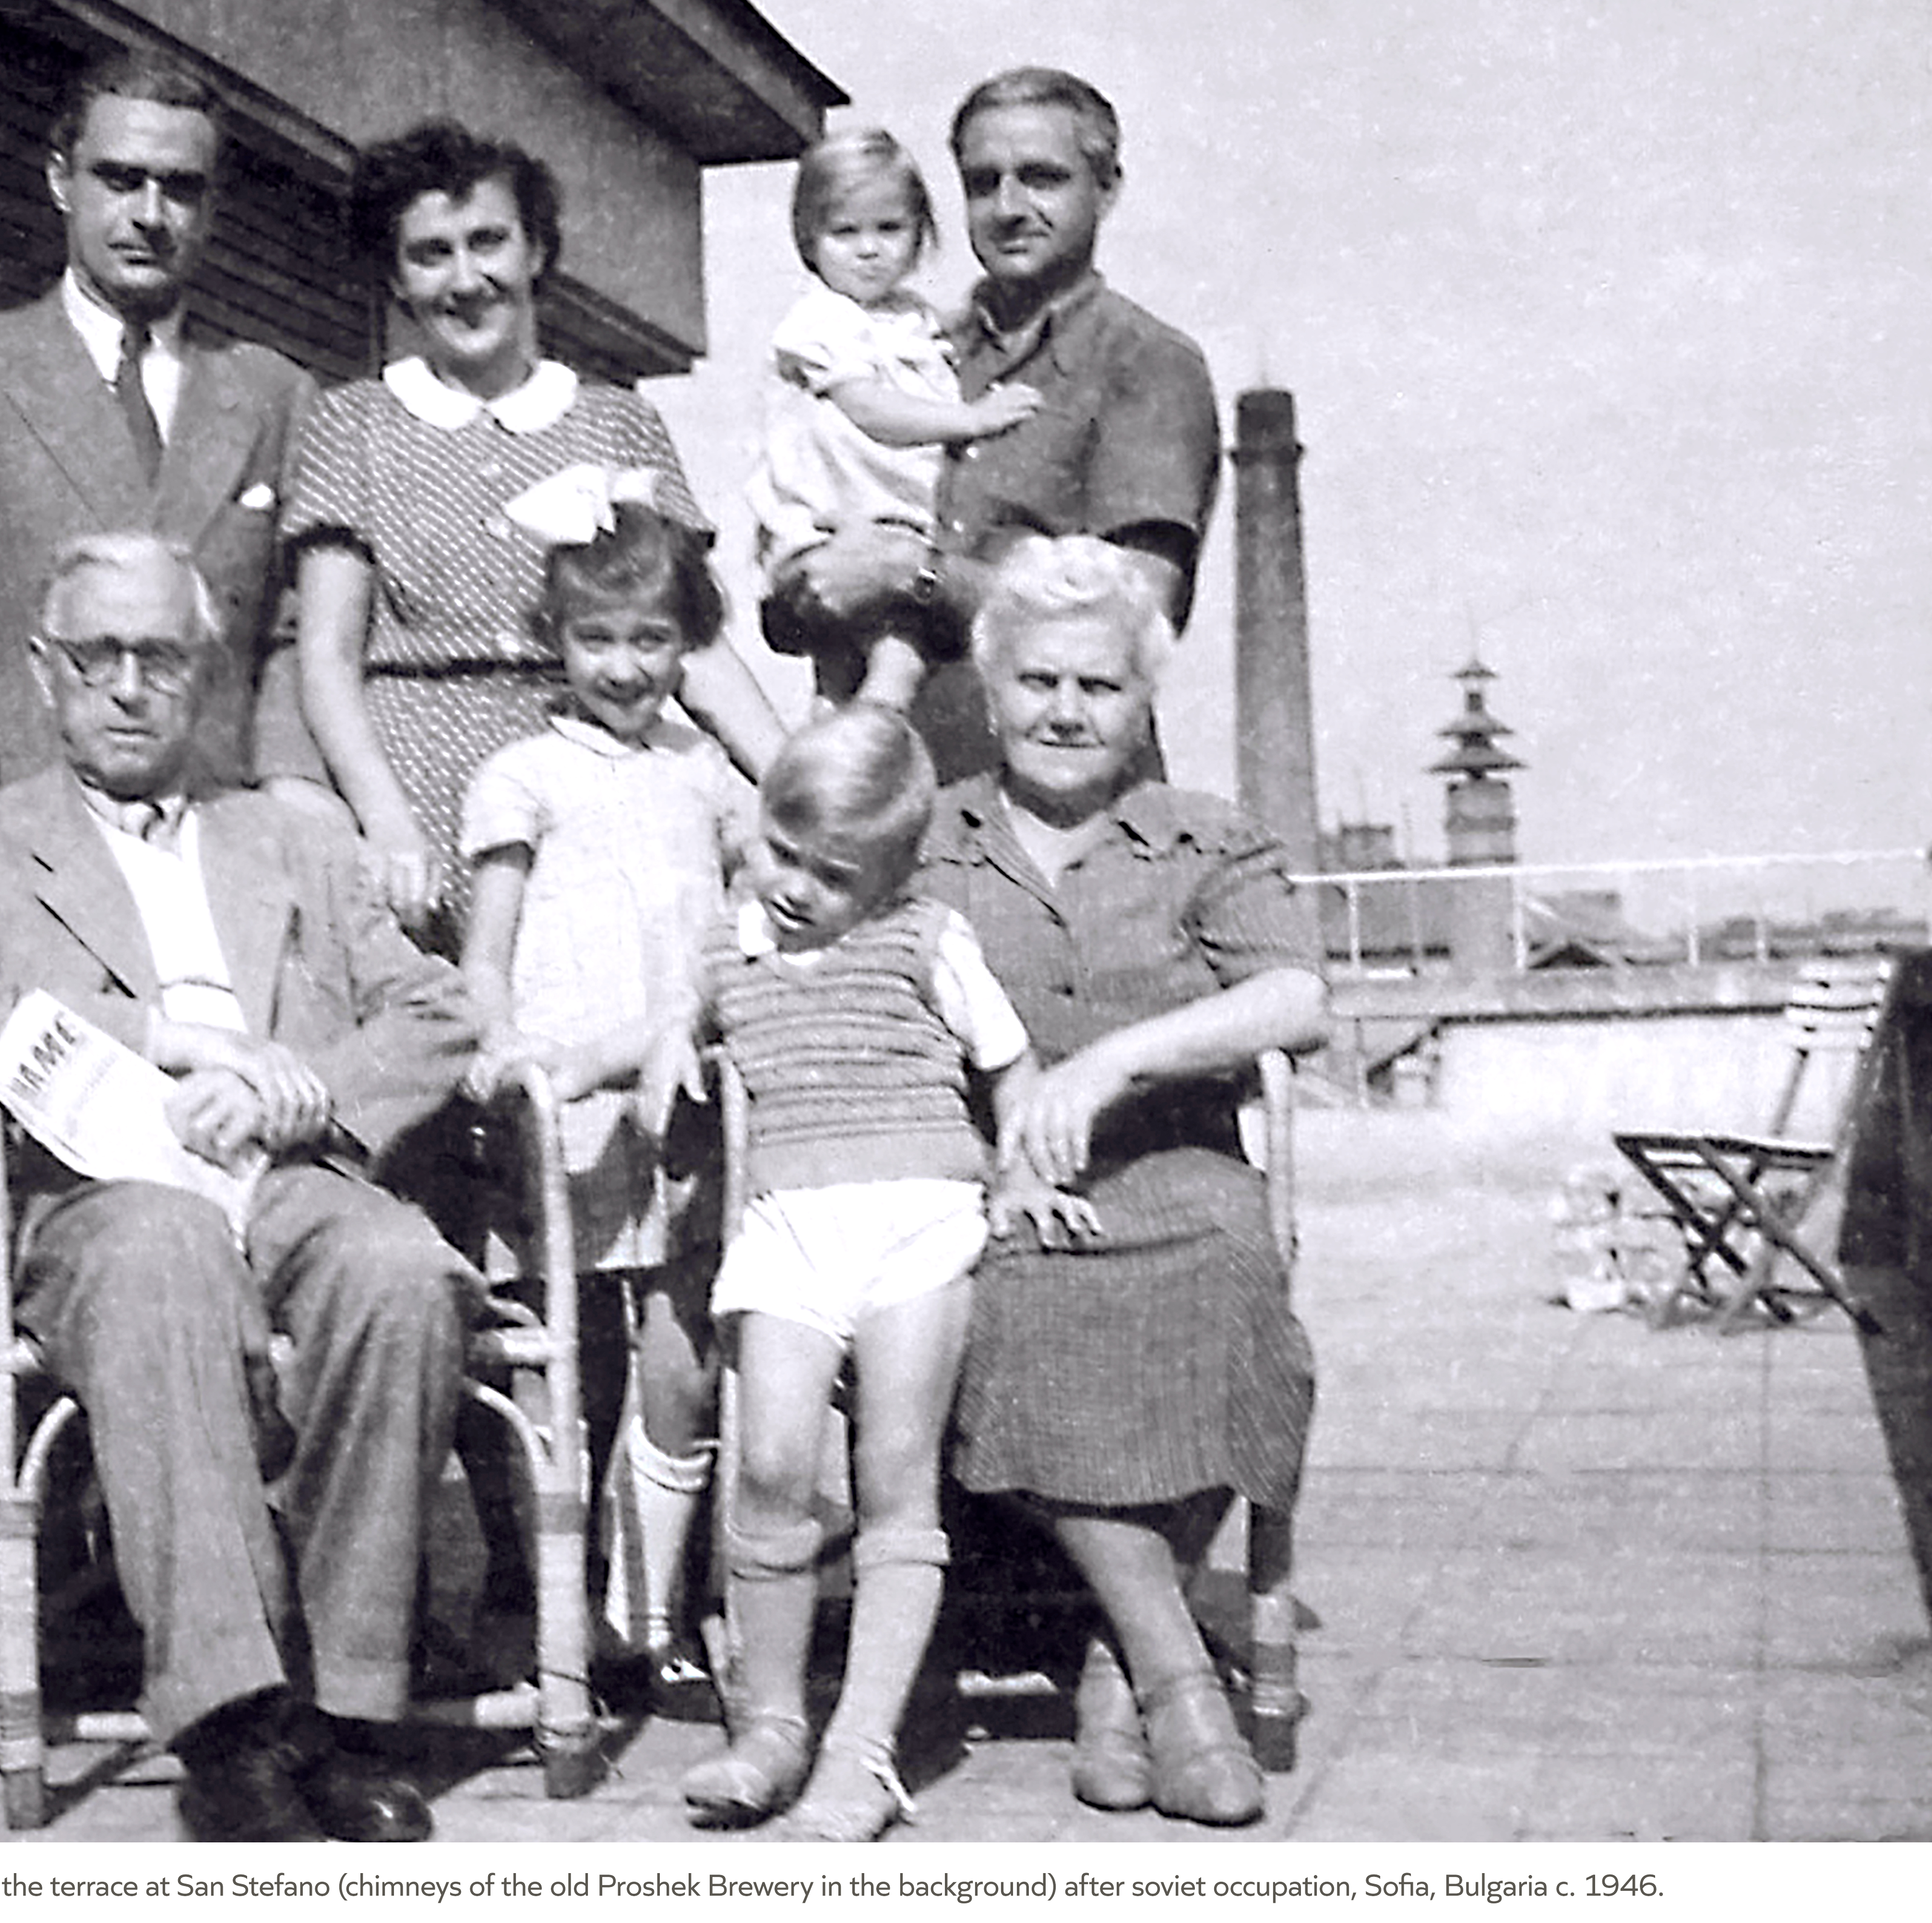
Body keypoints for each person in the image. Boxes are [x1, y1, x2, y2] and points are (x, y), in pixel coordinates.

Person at [0, 532, 483, 1843]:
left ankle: (346, 1712)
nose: (131, 685)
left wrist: (295, 1086)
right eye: (99, 656)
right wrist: (162, 1042)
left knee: (402, 1270)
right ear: (46, 675)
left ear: (204, 675)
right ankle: (232, 1726)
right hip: (84, 1201)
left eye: (162, 656)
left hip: (282, 1171)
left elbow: (436, 1011)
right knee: (162, 1253)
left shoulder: (290, 842)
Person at [915, 536, 1327, 1827]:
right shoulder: (923, 839)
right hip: (987, 1181)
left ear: (1145, 702)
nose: (1064, 710)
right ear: (990, 696)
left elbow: (1297, 996)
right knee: (1014, 1306)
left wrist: (1114, 1067)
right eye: (1037, 682)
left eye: (1097, 686)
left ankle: (1115, 1662)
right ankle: (1167, 1672)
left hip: (1177, 1166)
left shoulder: (1208, 837)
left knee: (1236, 1272)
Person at [662, 707, 1086, 1842]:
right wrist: (657, 1043)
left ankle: (863, 1750)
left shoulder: (926, 939)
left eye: (833, 874)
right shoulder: (731, 942)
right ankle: (771, 1724)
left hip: (916, 1218)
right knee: (769, 1463)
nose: (795, 886)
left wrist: (1022, 1171)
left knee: (894, 1468)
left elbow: (1012, 1063)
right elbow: (681, 1023)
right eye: (781, 852)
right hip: (788, 1225)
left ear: (894, 876)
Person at [272, 119, 786, 950]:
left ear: (537, 252)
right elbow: (327, 658)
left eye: (489, 242)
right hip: (420, 808)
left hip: (599, 790)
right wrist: (386, 823)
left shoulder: (617, 422)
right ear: (397, 279)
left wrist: (797, 784)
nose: (466, 279)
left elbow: (695, 644)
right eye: (431, 254)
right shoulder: (352, 424)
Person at [454, 505, 752, 1681]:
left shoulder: (713, 776)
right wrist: (504, 1043)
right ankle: (555, 1604)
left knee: (681, 1353)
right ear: (555, 638)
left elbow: (748, 933)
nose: (624, 666)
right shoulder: (521, 774)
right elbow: (487, 947)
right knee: (562, 1363)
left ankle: (654, 1609)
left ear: (690, 644)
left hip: (676, 1096)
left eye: (651, 638)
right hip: (562, 1110)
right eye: (596, 639)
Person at [0, 47, 319, 822]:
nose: (150, 215)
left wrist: (286, 803)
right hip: (33, 839)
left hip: (221, 841)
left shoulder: (275, 394)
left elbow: (291, 638)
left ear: (213, 209)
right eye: (119, 179)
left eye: (181, 190)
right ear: (60, 180)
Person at [768, 68, 1222, 783]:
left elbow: (1135, 616)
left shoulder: (1148, 363)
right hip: (892, 803)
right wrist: (806, 578)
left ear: (1106, 189)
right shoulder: (911, 353)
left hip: (1064, 817)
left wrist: (914, 577)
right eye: (984, 183)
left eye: (1042, 179)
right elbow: (795, 602)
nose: (1009, 207)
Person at [744, 128, 1039, 713]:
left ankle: (843, 750)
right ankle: (865, 736)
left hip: (884, 522)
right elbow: (871, 409)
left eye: (889, 229)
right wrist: (970, 420)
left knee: (855, 668)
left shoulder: (908, 317)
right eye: (845, 233)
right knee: (890, 651)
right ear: (810, 240)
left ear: (920, 234)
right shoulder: (822, 320)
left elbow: (937, 340)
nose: (869, 249)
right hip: (831, 522)